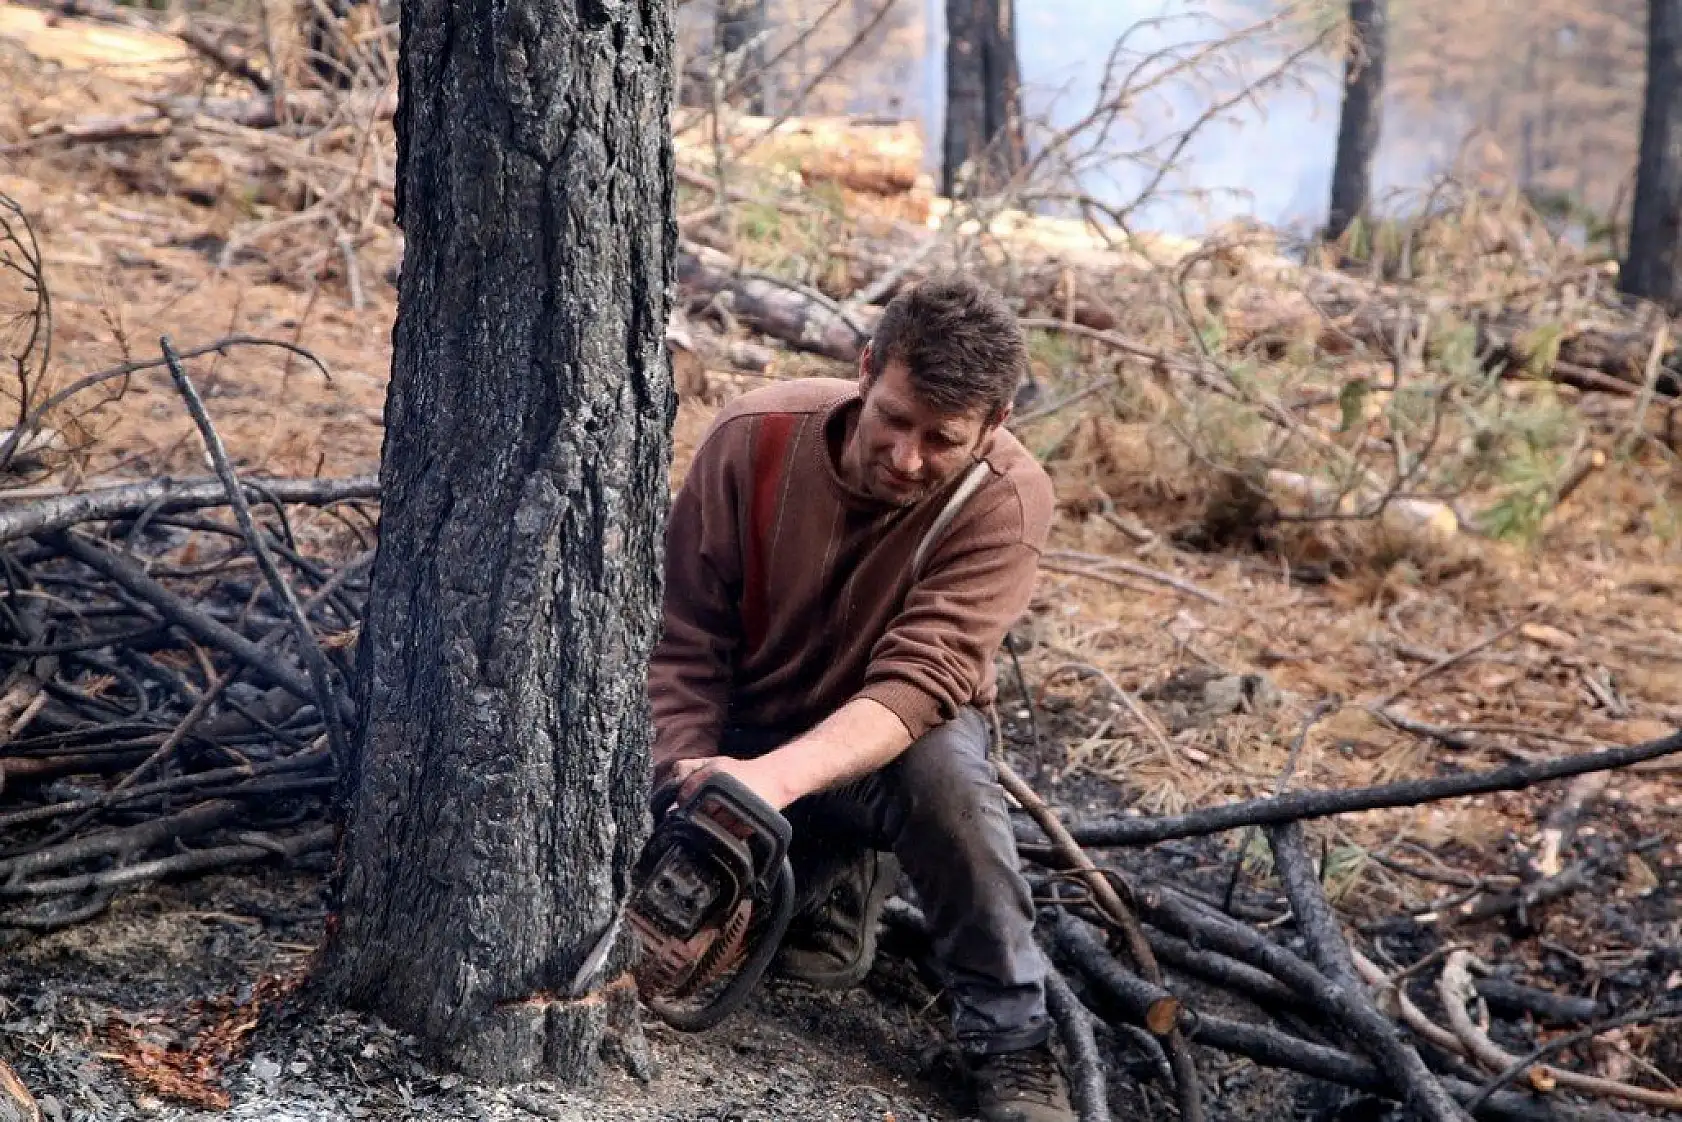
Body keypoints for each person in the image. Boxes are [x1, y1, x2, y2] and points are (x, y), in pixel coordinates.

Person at [647, 275, 1071, 1122]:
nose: (908, 458)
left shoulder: (1006, 501)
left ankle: (1015, 1045)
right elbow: (686, 638)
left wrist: (768, 785)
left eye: (943, 440)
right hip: (735, 726)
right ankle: (812, 892)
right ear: (865, 369)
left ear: (996, 425)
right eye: (894, 419)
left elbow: (922, 683)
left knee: (950, 784)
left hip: (882, 741)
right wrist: (687, 772)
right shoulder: (752, 440)